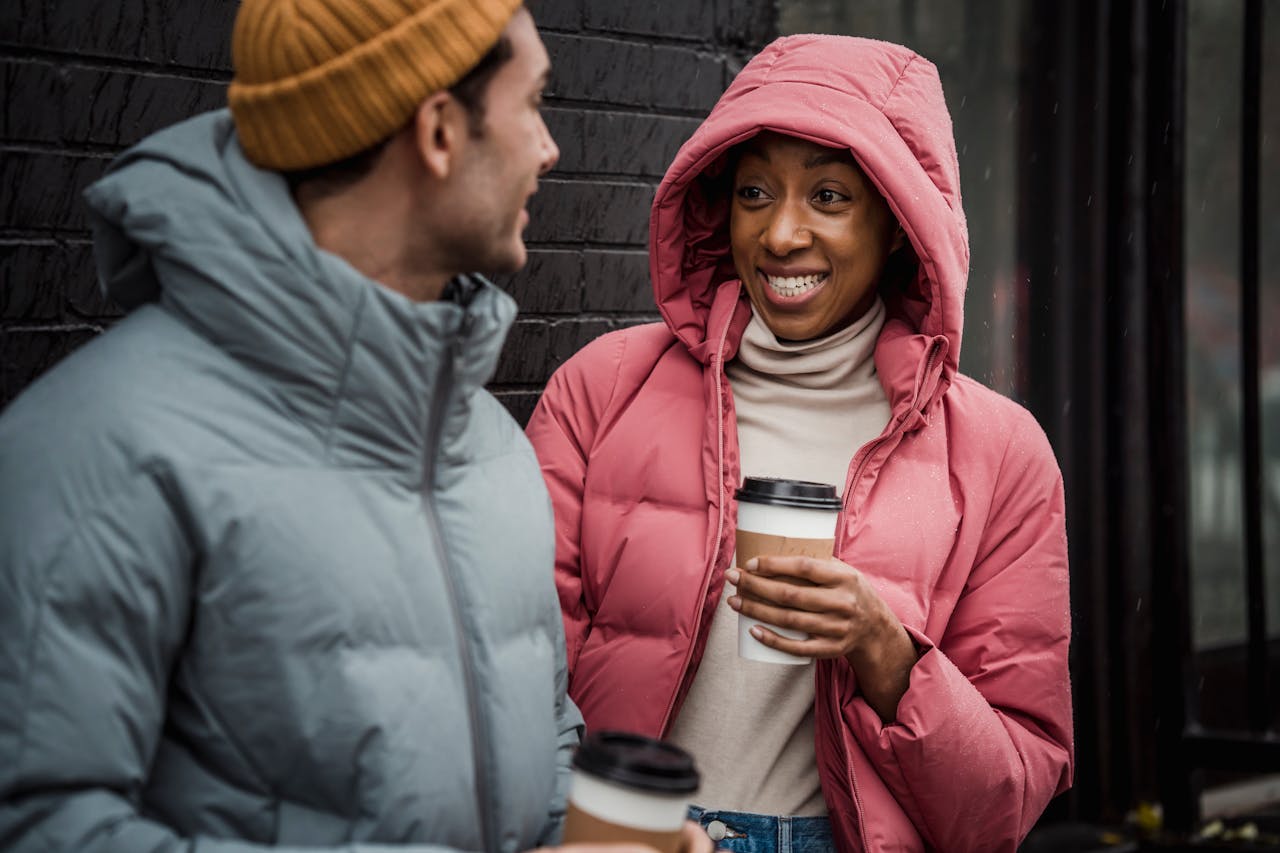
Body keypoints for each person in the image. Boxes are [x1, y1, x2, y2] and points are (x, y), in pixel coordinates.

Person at [0, 1, 710, 851]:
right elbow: (40, 823)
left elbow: (544, 739)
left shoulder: (487, 444)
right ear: (441, 132)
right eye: (534, 103)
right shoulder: (97, 449)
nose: (549, 147)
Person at [527, 34, 1074, 853]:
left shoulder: (1000, 452)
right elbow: (518, 679)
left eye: (828, 196)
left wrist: (885, 649)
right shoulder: (602, 389)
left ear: (898, 223)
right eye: (754, 192)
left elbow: (1000, 804)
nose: (781, 235)